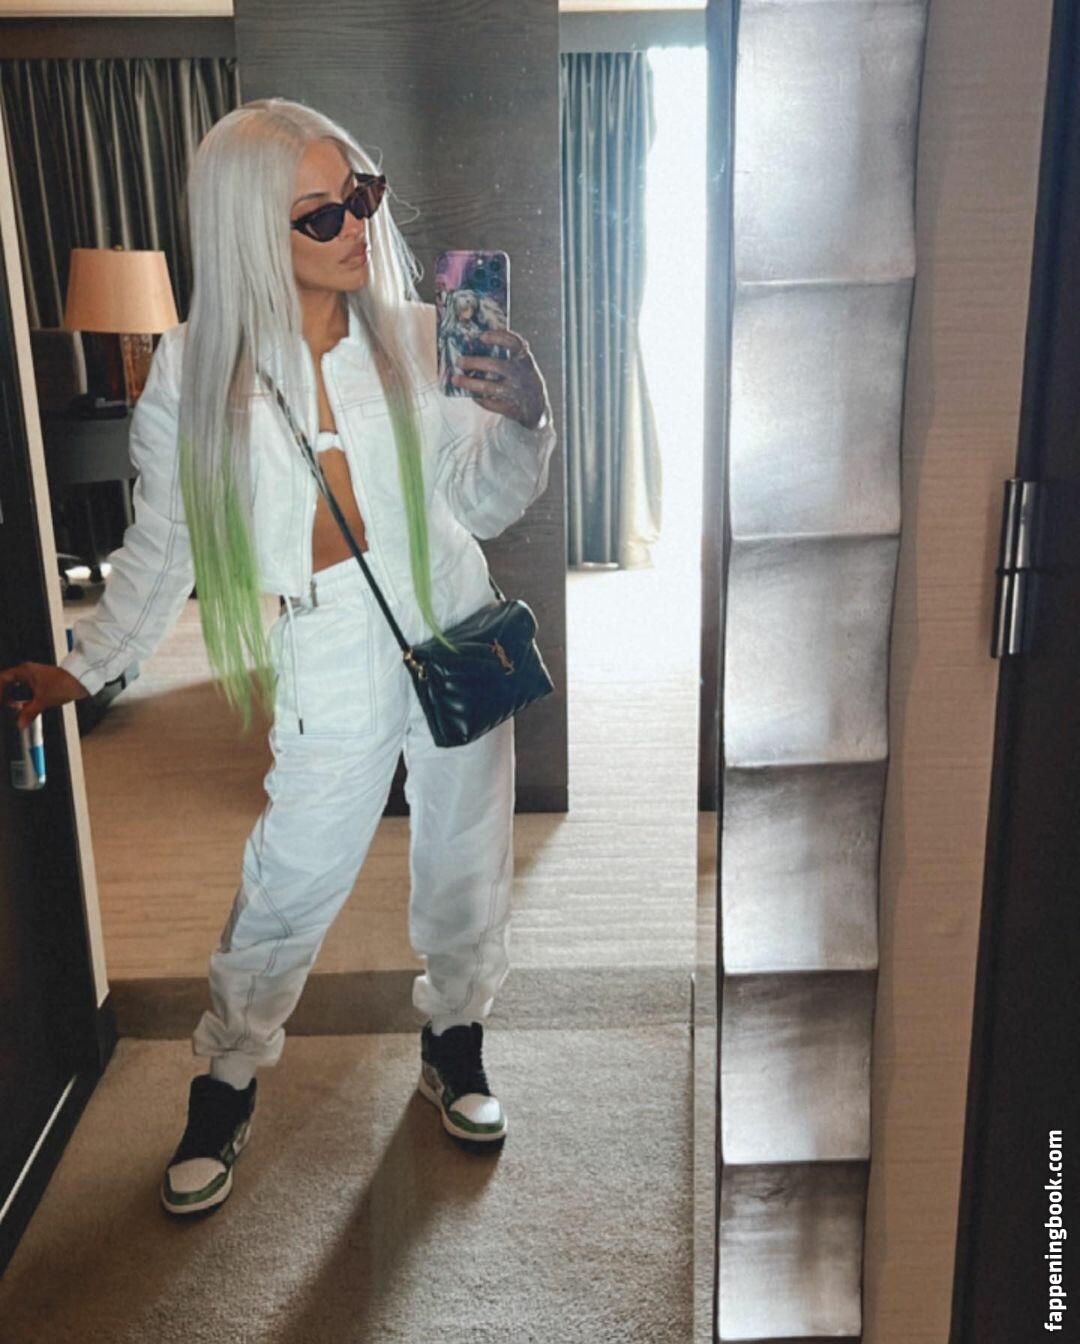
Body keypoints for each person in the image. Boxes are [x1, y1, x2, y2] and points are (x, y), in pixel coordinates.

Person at [0, 98, 555, 1217]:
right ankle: (228, 1074)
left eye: (362, 195)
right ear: (251, 227)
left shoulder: (418, 335)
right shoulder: (197, 369)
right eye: (319, 214)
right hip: (330, 640)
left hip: (453, 616)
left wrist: (526, 420)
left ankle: (456, 1038)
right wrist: (92, 665)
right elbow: (164, 542)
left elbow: (484, 505)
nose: (356, 226)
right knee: (291, 877)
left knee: (466, 856)